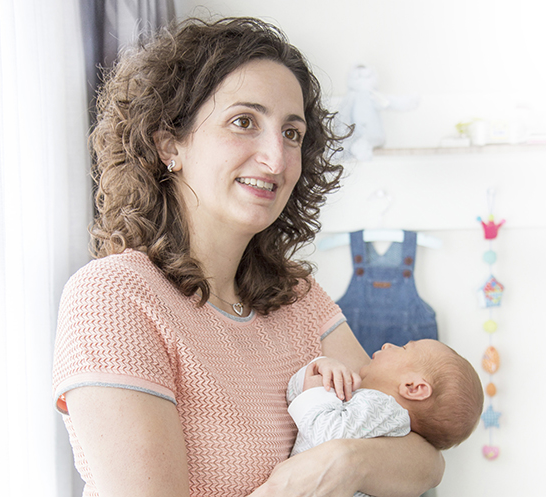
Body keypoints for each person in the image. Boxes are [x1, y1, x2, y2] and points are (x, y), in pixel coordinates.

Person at [51, 17, 443, 497]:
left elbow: (425, 458)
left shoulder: (300, 300)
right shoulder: (115, 297)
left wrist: (346, 461)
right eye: (244, 122)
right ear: (169, 142)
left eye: (292, 133)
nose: (276, 159)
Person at [287, 340, 484, 476]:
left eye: (405, 348)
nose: (388, 345)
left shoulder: (385, 409)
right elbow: (296, 404)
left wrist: (314, 387)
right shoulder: (368, 406)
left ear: (413, 388)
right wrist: (316, 370)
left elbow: (327, 440)